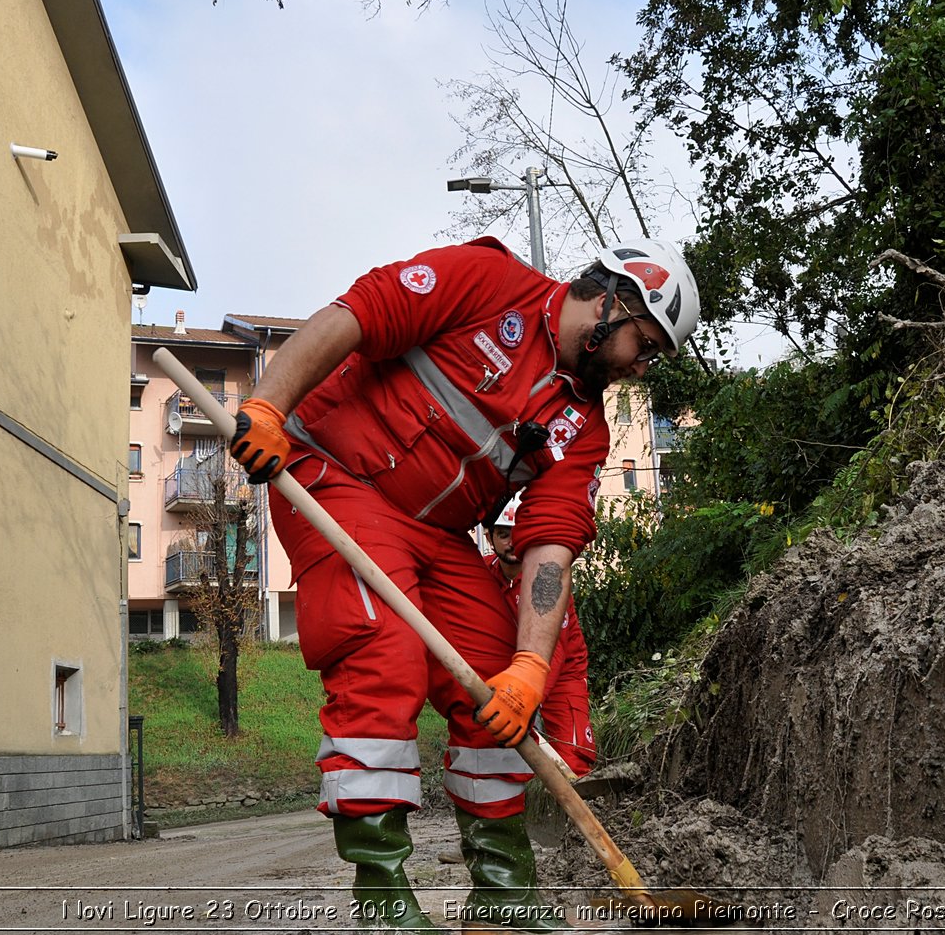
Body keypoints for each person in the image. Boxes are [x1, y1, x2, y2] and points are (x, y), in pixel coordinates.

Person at [227, 237, 698, 932]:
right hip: (335, 473)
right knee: (381, 653)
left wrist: (531, 666)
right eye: (644, 344)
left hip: (437, 532)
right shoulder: (487, 283)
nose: (639, 367)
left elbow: (550, 543)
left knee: (496, 685)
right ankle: (384, 901)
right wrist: (266, 406)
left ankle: (503, 899)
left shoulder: (584, 428)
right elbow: (355, 315)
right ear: (612, 302)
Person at [482, 492, 594, 780]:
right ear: (489, 536)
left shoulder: (547, 577)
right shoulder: (480, 575)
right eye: (502, 533)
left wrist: (527, 699)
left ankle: (578, 807)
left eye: (517, 532)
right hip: (504, 671)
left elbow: (555, 649)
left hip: (561, 673)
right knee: (499, 745)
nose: (511, 541)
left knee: (574, 756)